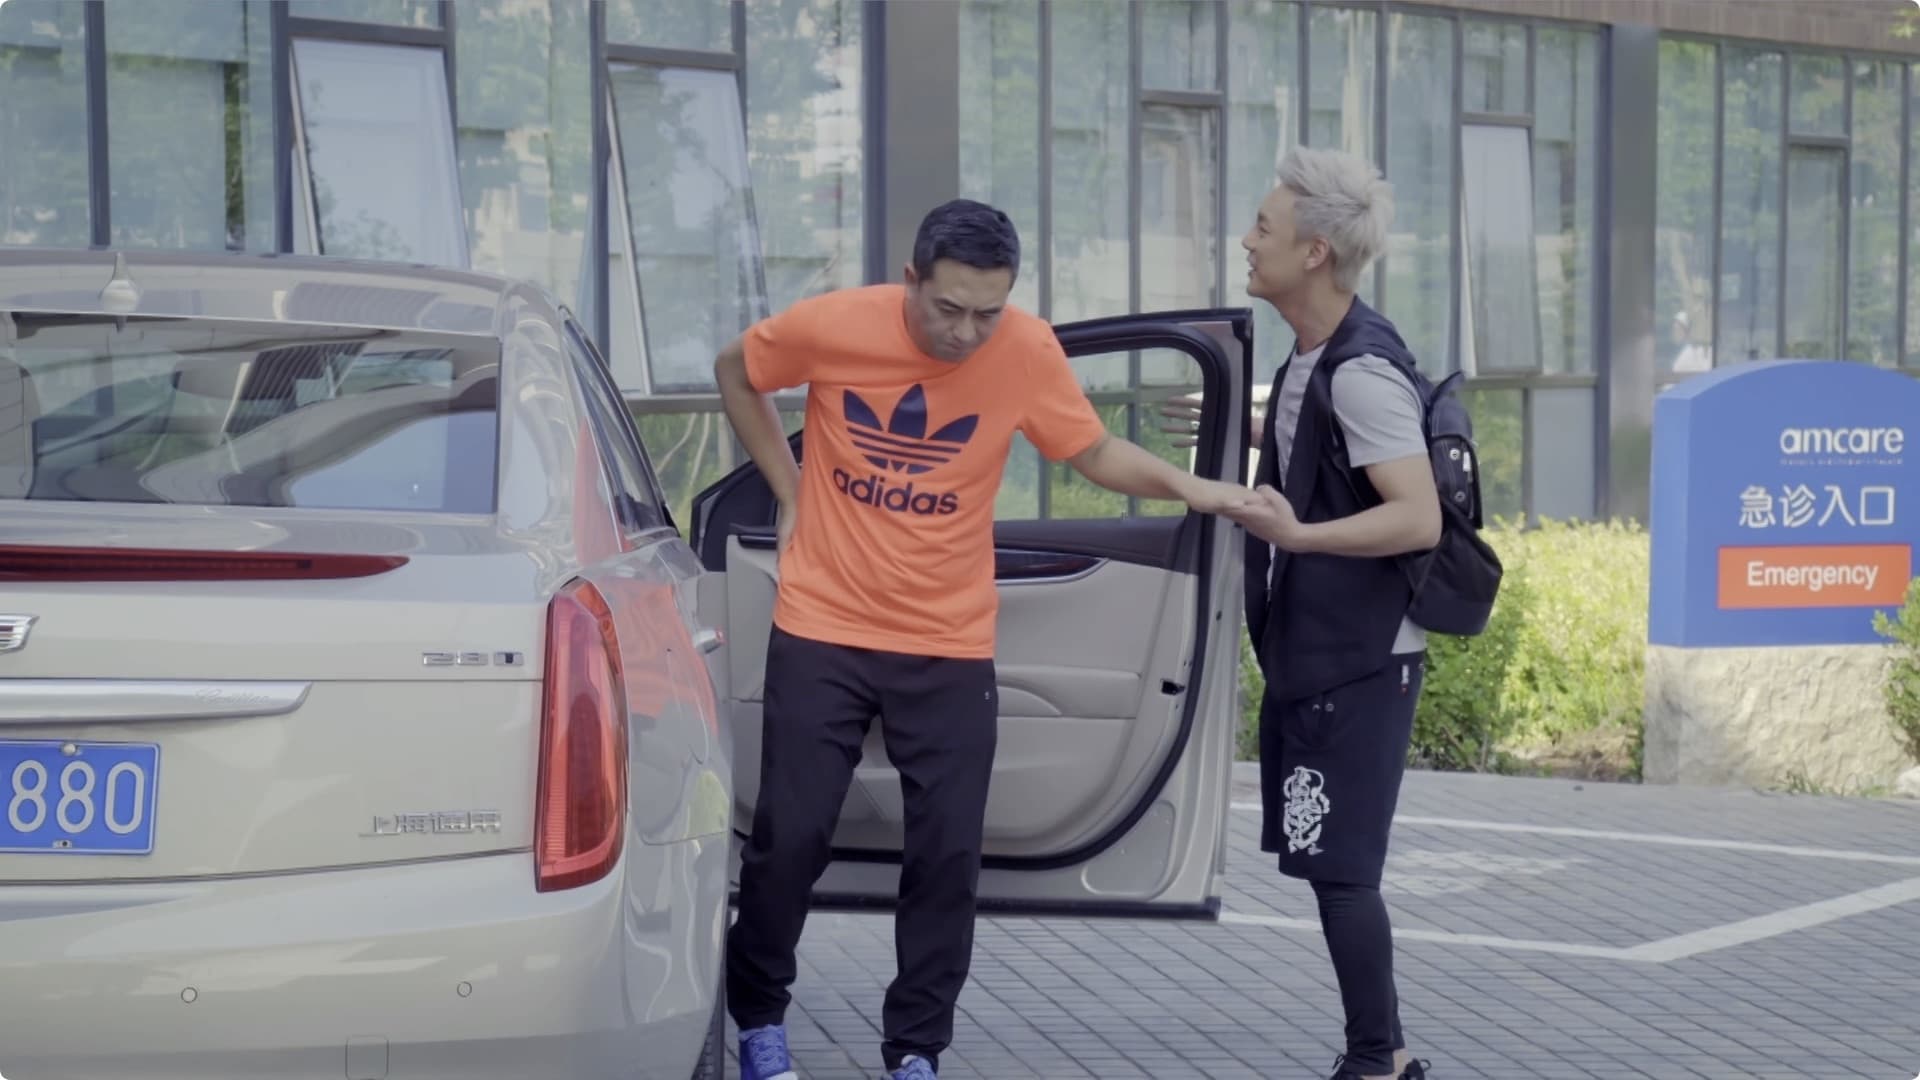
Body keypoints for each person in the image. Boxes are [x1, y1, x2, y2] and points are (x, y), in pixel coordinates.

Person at [714, 198, 1251, 1080]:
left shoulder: (1026, 350)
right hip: (824, 623)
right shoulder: (835, 325)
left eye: (987, 313)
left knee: (947, 852)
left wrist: (1200, 490)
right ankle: (760, 1015)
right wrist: (792, 485)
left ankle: (916, 1049)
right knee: (791, 837)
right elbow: (737, 371)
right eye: (948, 308)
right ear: (911, 279)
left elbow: (1091, 451)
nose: (965, 332)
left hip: (949, 640)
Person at [1172, 146, 1442, 1080]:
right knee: (1332, 866)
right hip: (1324, 654)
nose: (1247, 241)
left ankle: (1379, 1061)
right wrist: (1247, 431)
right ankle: (1383, 1056)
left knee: (1343, 872)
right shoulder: (1315, 354)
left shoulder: (1360, 371)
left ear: (1315, 252)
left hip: (1361, 661)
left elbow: (1417, 516)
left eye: (1264, 227)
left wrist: (1299, 534)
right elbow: (1333, 444)